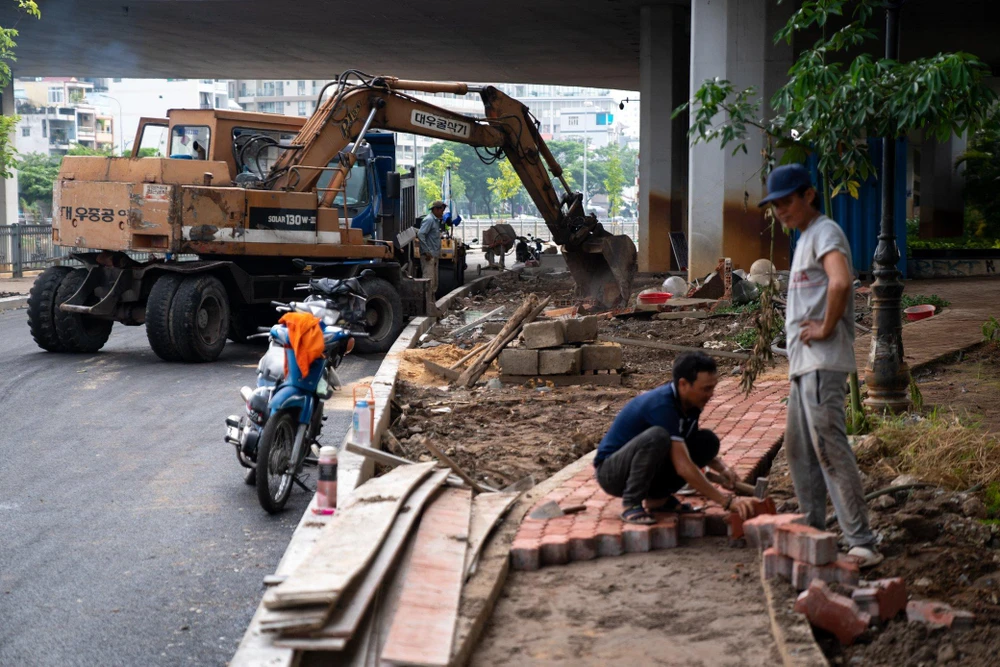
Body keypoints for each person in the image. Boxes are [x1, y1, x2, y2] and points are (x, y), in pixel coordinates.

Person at [758, 163, 883, 568]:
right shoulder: (806, 238)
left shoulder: (825, 232)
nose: (780, 212)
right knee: (799, 449)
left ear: (808, 196)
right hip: (803, 366)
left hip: (821, 364)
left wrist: (826, 327)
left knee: (829, 448)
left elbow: (842, 281)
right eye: (775, 206)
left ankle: (861, 541)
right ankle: (813, 527)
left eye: (786, 202)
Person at [594, 352, 757, 525]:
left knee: (706, 442)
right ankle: (631, 504)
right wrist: (727, 501)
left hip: (640, 467)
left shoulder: (691, 404)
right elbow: (683, 466)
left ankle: (658, 499)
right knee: (657, 436)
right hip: (612, 473)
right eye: (706, 389)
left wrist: (724, 470)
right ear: (683, 384)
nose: (711, 394)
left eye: (712, 387)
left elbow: (688, 444)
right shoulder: (662, 405)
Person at [418, 200, 445, 308]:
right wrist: (426, 251)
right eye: (441, 210)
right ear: (436, 210)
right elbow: (421, 234)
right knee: (428, 280)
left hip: (433, 255)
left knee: (433, 282)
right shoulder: (429, 220)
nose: (442, 213)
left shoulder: (435, 221)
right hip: (429, 256)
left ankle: (431, 304)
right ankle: (426, 305)